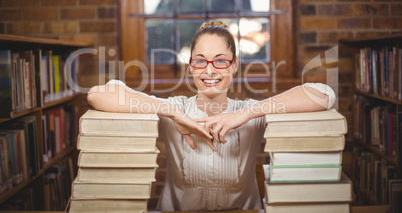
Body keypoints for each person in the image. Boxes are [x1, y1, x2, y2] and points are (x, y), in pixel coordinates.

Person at [87, 21, 336, 211]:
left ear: (234, 65)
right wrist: (172, 113)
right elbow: (98, 94)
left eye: (220, 61)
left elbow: (323, 94)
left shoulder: (250, 114)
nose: (209, 70)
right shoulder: (174, 108)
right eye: (200, 61)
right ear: (191, 65)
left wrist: (246, 114)